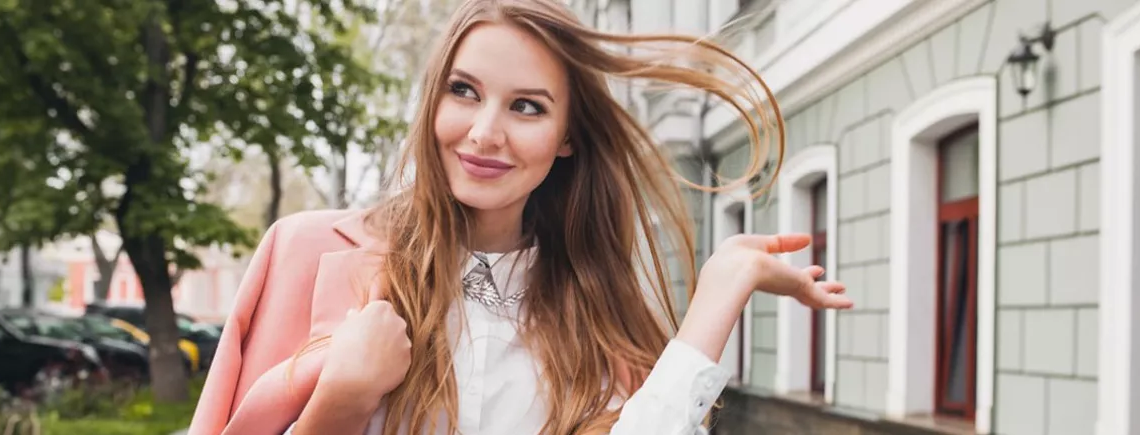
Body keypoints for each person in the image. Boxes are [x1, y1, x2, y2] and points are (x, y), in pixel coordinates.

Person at [188, 0, 854, 434]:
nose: (483, 132)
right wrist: (340, 401)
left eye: (527, 107)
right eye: (464, 91)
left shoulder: (590, 319)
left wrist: (720, 290)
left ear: (567, 135)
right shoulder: (306, 253)